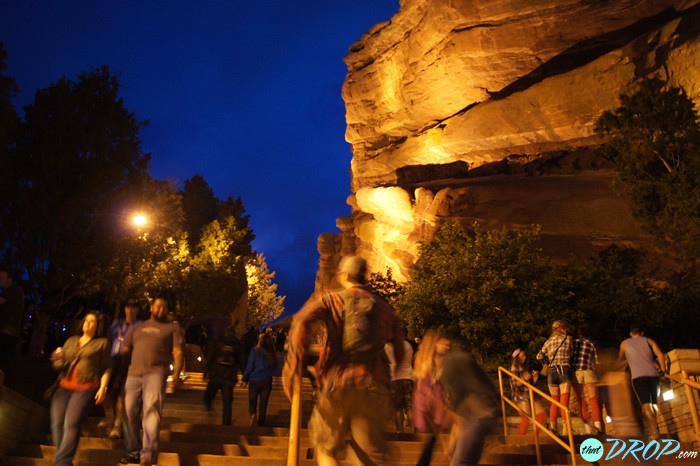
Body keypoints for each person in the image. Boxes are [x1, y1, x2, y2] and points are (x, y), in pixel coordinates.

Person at [283, 255, 405, 466]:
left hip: (336, 383)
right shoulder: (384, 309)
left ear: (345, 275)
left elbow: (301, 322)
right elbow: (400, 350)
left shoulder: (332, 300)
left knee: (325, 447)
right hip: (372, 386)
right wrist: (394, 378)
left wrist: (293, 364)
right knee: (369, 456)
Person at [121, 297, 184, 466]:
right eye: (158, 306)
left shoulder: (172, 328)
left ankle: (148, 454)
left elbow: (178, 352)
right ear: (151, 307)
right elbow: (124, 350)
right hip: (133, 374)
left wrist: (176, 375)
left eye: (164, 306)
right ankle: (133, 450)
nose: (160, 309)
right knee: (128, 412)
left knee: (151, 411)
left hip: (155, 373)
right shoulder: (137, 327)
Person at [49, 311, 111, 466]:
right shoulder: (71, 340)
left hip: (85, 387)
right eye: (86, 321)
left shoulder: (102, 343)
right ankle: (63, 460)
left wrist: (103, 387)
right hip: (63, 386)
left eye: (92, 322)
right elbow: (60, 363)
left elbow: (106, 367)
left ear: (98, 326)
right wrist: (56, 359)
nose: (88, 324)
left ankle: (62, 462)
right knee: (57, 423)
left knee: (71, 423)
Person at [436, 333, 501, 466]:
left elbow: (457, 404)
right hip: (485, 414)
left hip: (477, 415)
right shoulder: (460, 359)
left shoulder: (450, 364)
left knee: (459, 462)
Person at [618, 325, 667, 440]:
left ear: (631, 333)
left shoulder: (625, 344)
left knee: (646, 405)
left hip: (638, 376)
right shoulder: (649, 341)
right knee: (654, 403)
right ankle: (655, 428)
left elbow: (620, 359)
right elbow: (660, 354)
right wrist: (663, 369)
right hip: (653, 375)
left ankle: (654, 432)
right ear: (642, 332)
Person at [412, 333, 452, 466]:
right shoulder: (425, 361)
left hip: (435, 404)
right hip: (427, 405)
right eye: (444, 345)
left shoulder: (442, 362)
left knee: (433, 439)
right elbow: (424, 385)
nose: (446, 348)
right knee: (433, 438)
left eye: (448, 346)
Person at [103, 301, 139, 439]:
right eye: (128, 307)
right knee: (107, 389)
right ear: (125, 309)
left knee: (121, 393)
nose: (130, 310)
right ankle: (109, 417)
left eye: (133, 307)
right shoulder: (117, 324)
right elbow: (109, 339)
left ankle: (117, 424)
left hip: (129, 361)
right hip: (113, 358)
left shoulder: (139, 326)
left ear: (137, 310)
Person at [536, 320, 573, 434]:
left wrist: (546, 361)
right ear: (562, 328)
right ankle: (566, 428)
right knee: (564, 402)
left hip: (551, 372)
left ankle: (553, 427)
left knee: (554, 401)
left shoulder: (548, 342)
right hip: (563, 371)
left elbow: (538, 356)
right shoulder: (568, 339)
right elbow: (571, 353)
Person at [203, 325, 245, 425]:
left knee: (209, 395)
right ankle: (226, 423)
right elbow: (242, 361)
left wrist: (206, 372)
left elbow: (210, 358)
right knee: (227, 403)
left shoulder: (217, 343)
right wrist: (244, 376)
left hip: (216, 374)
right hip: (229, 377)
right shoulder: (238, 345)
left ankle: (208, 407)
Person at [571, 324, 603, 434]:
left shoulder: (573, 343)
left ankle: (587, 429)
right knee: (593, 400)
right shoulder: (592, 343)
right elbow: (597, 361)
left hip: (576, 372)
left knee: (581, 400)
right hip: (589, 371)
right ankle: (598, 427)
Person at [242, 332, 278, 426]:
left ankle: (253, 414)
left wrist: (245, 379)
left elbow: (250, 366)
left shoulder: (255, 351)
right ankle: (261, 422)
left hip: (254, 379)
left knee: (252, 399)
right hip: (267, 380)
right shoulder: (272, 353)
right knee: (263, 403)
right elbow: (276, 367)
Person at [510, 348, 546, 436]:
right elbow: (516, 383)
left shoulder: (524, 368)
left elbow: (530, 384)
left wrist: (534, 378)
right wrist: (524, 378)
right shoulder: (515, 368)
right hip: (520, 395)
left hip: (529, 394)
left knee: (542, 415)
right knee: (526, 419)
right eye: (522, 356)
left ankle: (534, 438)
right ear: (517, 358)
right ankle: (521, 441)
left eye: (525, 356)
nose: (524, 358)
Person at [385, 326, 414, 433]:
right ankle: (415, 431)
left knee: (397, 408)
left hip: (394, 378)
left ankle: (400, 431)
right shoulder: (408, 346)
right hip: (408, 377)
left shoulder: (388, 346)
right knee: (410, 407)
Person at [0, 265, 25, 373]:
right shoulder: (9, 291)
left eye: (1, 278)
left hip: (7, 332)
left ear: (10, 279)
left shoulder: (14, 289)